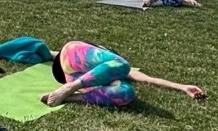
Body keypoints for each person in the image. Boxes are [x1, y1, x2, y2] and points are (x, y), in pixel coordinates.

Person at [39, 40, 206, 108]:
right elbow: (55, 53)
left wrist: (182, 87)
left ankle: (67, 97)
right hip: (69, 56)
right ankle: (71, 88)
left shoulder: (112, 69)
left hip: (76, 78)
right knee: (122, 64)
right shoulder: (98, 52)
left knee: (126, 93)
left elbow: (147, 79)